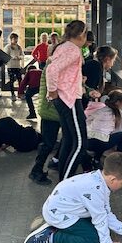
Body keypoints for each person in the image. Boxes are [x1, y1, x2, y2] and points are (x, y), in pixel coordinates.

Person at [23, 152, 122, 243]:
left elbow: (105, 213)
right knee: (94, 239)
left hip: (60, 210)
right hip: (58, 215)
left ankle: (55, 227)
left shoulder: (98, 179)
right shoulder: (94, 190)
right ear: (113, 179)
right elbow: (100, 217)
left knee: (102, 228)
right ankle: (51, 236)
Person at [45, 20, 92, 180]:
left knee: (68, 139)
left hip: (63, 97)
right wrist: (52, 91)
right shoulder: (73, 50)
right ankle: (66, 184)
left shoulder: (63, 46)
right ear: (81, 35)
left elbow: (59, 69)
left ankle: (63, 182)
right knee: (80, 143)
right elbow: (52, 69)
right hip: (69, 99)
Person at [28, 65, 61, 186]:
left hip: (51, 110)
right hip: (51, 111)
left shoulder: (52, 66)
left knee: (50, 142)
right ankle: (36, 170)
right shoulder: (53, 67)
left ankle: (53, 162)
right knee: (48, 143)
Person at [85, 88, 122, 165]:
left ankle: (96, 160)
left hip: (88, 141)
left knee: (103, 136)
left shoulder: (100, 110)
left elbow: (87, 121)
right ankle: (118, 158)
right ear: (118, 102)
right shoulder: (120, 115)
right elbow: (117, 131)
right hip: (102, 143)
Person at [4, 32, 24, 100]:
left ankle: (20, 93)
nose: (16, 40)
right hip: (10, 66)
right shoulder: (8, 47)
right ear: (11, 39)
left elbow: (22, 55)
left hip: (17, 66)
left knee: (20, 80)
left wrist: (19, 57)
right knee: (11, 81)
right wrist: (13, 57)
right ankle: (12, 94)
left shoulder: (19, 47)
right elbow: (6, 56)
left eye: (16, 39)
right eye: (14, 39)